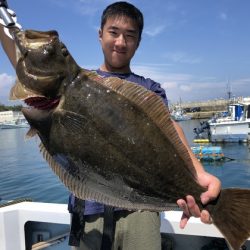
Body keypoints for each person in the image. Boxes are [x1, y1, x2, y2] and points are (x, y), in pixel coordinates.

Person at [0, 2, 221, 250]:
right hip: (89, 212)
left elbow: (171, 130)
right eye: (113, 32)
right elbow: (25, 62)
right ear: (100, 34)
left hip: (140, 211)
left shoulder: (149, 89)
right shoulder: (74, 82)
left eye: (130, 36)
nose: (120, 42)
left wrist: (198, 174)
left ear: (138, 42)